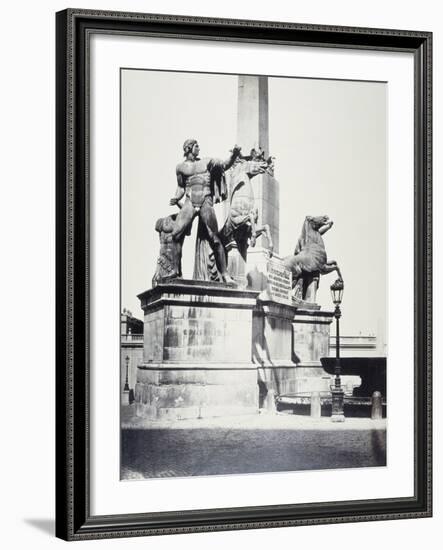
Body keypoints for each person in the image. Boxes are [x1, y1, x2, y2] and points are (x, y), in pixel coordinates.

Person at [170, 139, 241, 283]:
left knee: (214, 238)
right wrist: (176, 197)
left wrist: (234, 155)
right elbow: (181, 187)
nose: (199, 148)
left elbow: (225, 165)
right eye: (196, 146)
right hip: (190, 200)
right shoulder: (180, 168)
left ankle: (225, 275)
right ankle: (176, 271)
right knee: (176, 234)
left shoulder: (207, 161)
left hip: (205, 200)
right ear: (189, 148)